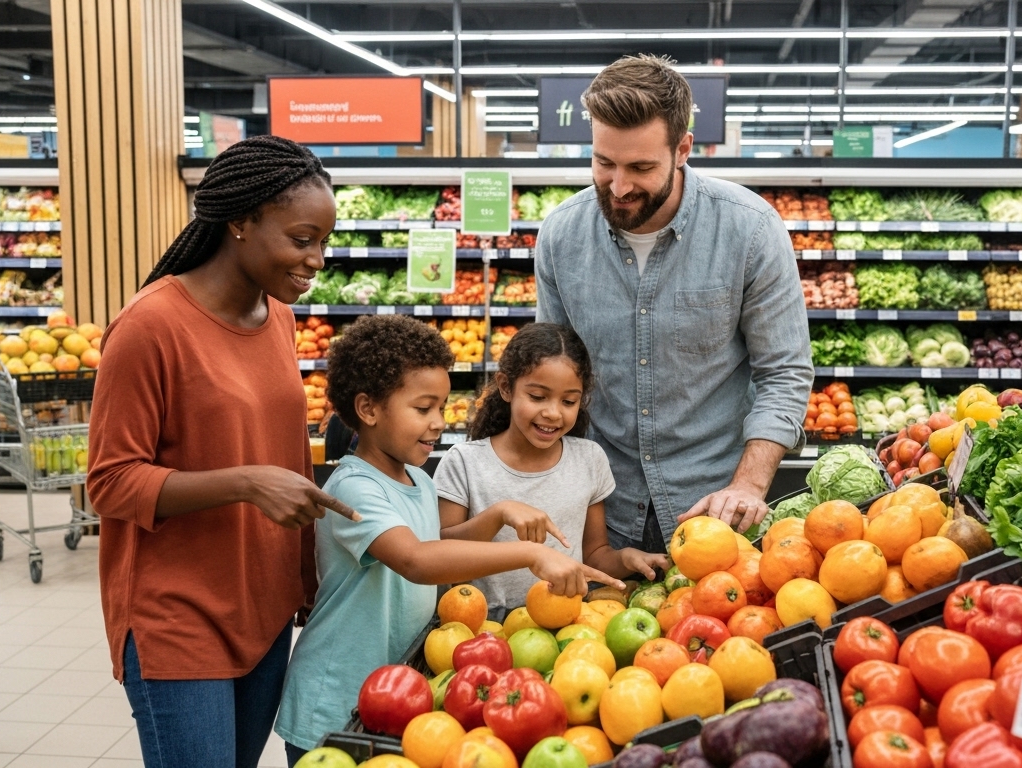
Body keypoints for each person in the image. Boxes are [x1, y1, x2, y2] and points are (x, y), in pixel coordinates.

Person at [87, 136, 358, 768]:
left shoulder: (278, 319)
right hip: (177, 616)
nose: (316, 259)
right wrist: (244, 483)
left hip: (261, 608)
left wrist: (303, 576)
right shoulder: (150, 326)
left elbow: (287, 451)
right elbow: (109, 481)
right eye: (301, 239)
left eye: (323, 241)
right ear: (240, 221)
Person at [274, 315, 622, 761]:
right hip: (336, 693)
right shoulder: (351, 488)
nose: (439, 422)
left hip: (396, 689)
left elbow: (442, 543)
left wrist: (496, 516)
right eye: (423, 409)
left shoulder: (417, 480)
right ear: (368, 409)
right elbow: (417, 559)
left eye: (441, 407)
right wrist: (530, 553)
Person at [534, 54, 814, 551]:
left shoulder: (749, 229)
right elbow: (553, 372)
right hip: (602, 511)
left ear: (683, 148)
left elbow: (784, 371)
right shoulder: (561, 235)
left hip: (717, 510)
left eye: (641, 167)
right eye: (603, 163)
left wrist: (748, 484)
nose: (618, 186)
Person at [434, 322, 669, 612]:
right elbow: (441, 555)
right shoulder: (464, 462)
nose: (553, 413)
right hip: (483, 627)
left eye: (569, 401)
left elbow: (594, 554)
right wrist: (498, 514)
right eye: (537, 397)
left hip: (564, 620)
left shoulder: (589, 459)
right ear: (506, 387)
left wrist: (625, 559)